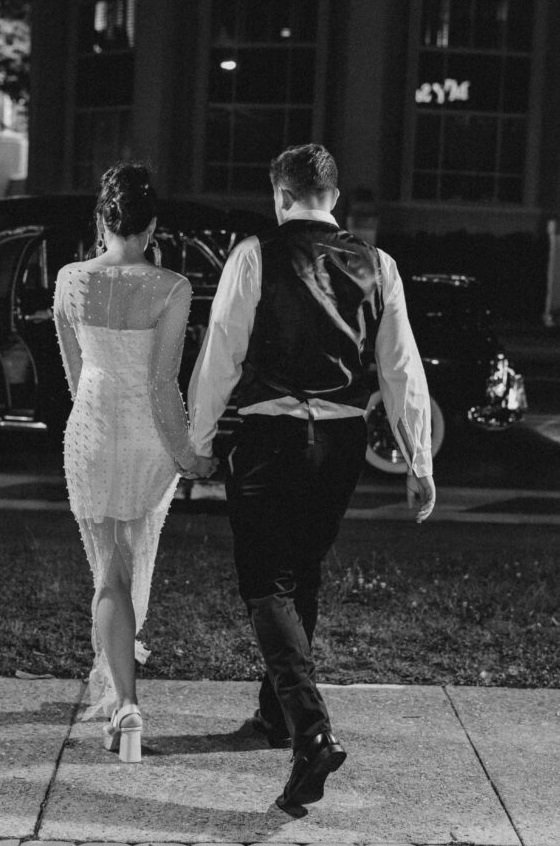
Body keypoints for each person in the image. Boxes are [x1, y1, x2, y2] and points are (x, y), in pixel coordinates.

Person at [188, 144, 435, 811]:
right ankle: (275, 719)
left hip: (271, 436)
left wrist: (199, 442)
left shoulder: (253, 255)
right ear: (333, 198)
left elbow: (221, 355)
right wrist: (418, 458)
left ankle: (310, 732)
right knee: (304, 573)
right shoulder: (376, 264)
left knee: (265, 582)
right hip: (341, 442)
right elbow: (400, 368)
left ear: (282, 194)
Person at [53, 164, 215, 763]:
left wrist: (92, 422)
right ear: (152, 228)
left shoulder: (71, 280)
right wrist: (186, 454)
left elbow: (76, 374)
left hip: (91, 429)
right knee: (128, 563)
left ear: (102, 219)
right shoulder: (172, 288)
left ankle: (124, 703)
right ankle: (125, 700)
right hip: (146, 440)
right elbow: (162, 385)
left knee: (109, 573)